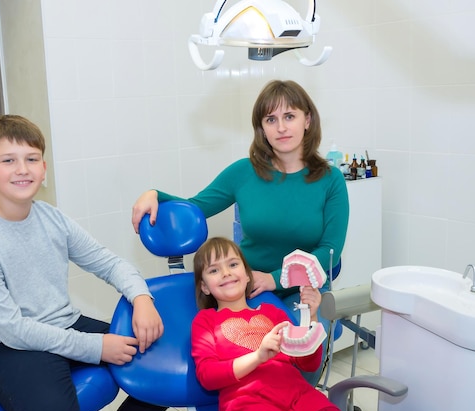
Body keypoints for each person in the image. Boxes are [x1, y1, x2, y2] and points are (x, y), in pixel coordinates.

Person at [131, 79, 350, 383]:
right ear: (261, 128)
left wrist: (274, 279)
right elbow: (195, 207)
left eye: (290, 116)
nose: (281, 128)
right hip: (243, 289)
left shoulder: (330, 179)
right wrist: (155, 194)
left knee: (300, 368)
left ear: (307, 120)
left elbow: (330, 249)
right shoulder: (244, 172)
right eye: (271, 119)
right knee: (241, 368)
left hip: (303, 293)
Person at [0, 115, 167, 411]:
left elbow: (108, 262)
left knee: (164, 364)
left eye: (32, 159)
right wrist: (96, 346)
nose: (22, 169)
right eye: (8, 160)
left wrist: (142, 298)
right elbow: (13, 330)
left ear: (43, 169)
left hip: (61, 323)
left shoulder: (51, 218)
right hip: (6, 346)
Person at [191, 237, 344, 411]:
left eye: (232, 265)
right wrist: (258, 357)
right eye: (214, 270)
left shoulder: (273, 312)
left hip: (297, 392)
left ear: (248, 275)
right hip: (247, 402)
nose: (225, 273)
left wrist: (310, 316)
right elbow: (207, 376)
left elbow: (308, 364)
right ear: (205, 287)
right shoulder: (206, 321)